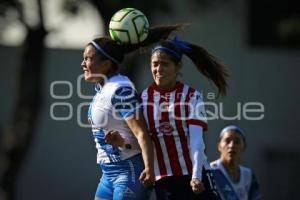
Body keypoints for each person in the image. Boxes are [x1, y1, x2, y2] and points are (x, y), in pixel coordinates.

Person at [106, 35, 228, 199]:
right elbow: (142, 143)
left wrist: (197, 176)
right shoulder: (142, 100)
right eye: (155, 64)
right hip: (165, 182)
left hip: (196, 175)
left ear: (178, 67)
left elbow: (197, 142)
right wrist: (122, 143)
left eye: (165, 64)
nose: (158, 69)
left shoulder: (191, 96)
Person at [81, 25, 183, 200]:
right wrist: (121, 143)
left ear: (106, 64)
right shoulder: (102, 88)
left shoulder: (120, 90)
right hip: (108, 173)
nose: (83, 63)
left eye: (88, 58)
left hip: (129, 171)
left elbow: (142, 134)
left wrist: (149, 169)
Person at [210, 125, 262, 200]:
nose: (231, 145)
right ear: (219, 146)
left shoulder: (248, 175)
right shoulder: (210, 172)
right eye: (227, 141)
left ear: (244, 147)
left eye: (237, 142)